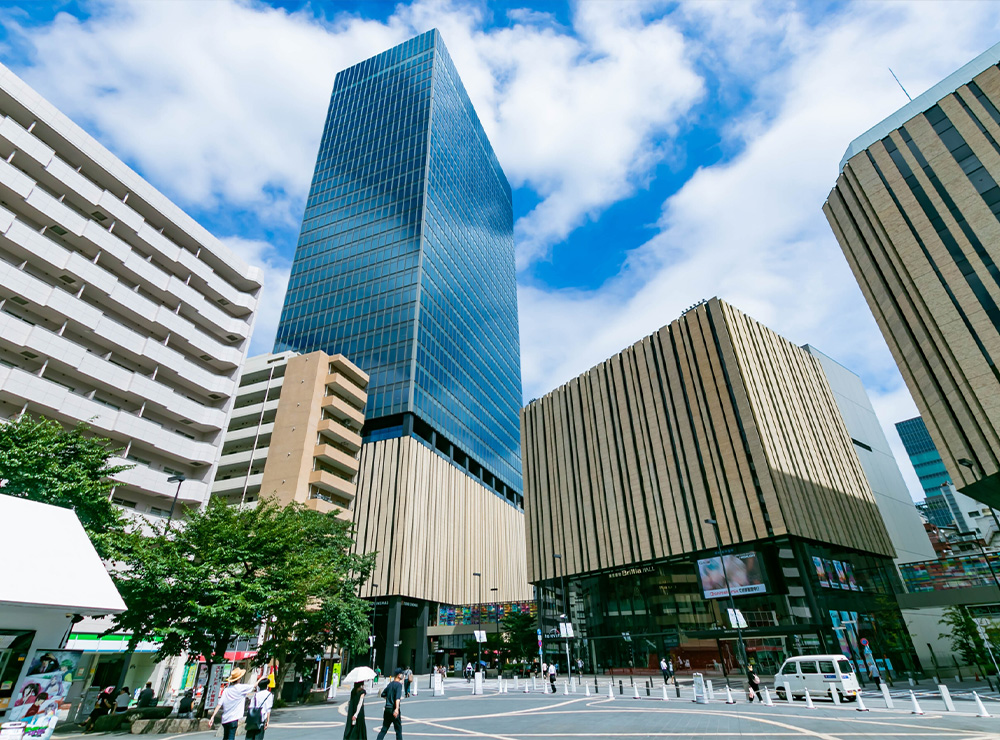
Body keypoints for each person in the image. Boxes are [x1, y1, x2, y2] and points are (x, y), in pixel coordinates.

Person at [210, 668, 256, 740]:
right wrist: (261, 679)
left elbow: (219, 704)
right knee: (231, 737)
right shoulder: (241, 688)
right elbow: (254, 686)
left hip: (225, 719)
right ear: (239, 678)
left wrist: (212, 716)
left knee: (225, 737)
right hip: (234, 718)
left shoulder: (226, 690)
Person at [375, 670, 403, 740]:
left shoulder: (390, 684)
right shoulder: (399, 685)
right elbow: (397, 698)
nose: (403, 676)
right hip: (393, 709)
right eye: (402, 674)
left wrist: (389, 699)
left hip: (387, 709)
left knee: (384, 729)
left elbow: (383, 694)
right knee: (398, 731)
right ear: (399, 675)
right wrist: (396, 708)